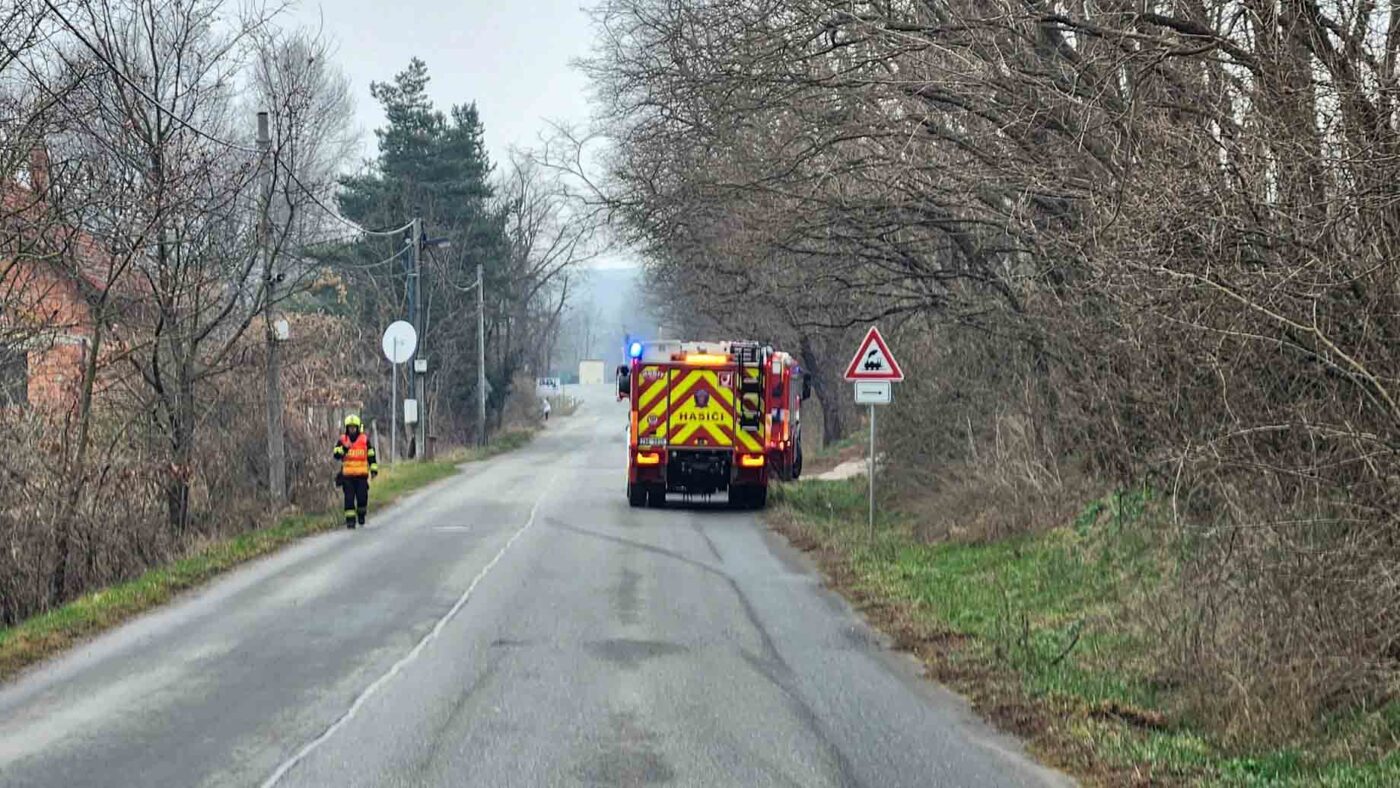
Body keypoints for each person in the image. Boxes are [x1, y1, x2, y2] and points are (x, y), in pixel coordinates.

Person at [333, 414, 378, 529]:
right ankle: (350, 521)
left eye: (354, 427)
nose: (352, 429)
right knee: (349, 499)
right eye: (350, 427)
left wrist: (373, 469)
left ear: (358, 428)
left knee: (362, 498)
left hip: (361, 476)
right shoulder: (343, 440)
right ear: (347, 428)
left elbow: (371, 455)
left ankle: (361, 515)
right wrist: (344, 448)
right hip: (347, 476)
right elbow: (336, 455)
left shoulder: (364, 440)